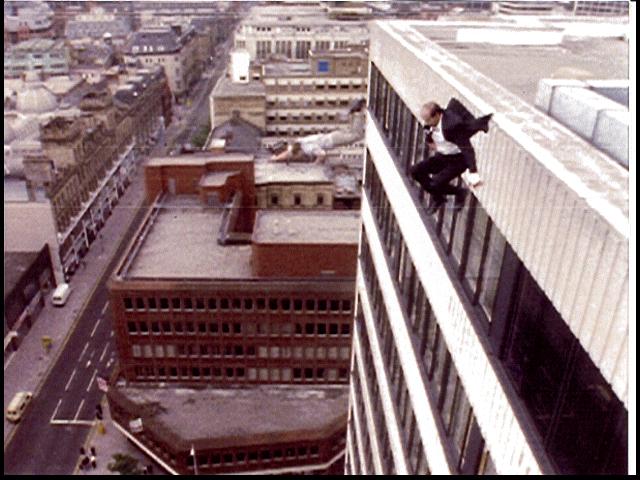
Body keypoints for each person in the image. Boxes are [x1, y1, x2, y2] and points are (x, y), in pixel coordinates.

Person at [410, 98, 492, 213]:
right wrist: (429, 140)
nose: (426, 123)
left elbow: (467, 149)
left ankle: (460, 193)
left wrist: (473, 172)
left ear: (437, 115)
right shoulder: (431, 124)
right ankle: (439, 198)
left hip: (458, 160)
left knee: (436, 182)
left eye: (428, 120)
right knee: (415, 171)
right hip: (443, 156)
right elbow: (429, 132)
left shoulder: (452, 126)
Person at [271, 99, 367, 164]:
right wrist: (276, 158)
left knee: (356, 135)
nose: (300, 157)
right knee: (351, 131)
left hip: (333, 140)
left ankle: (357, 113)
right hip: (332, 135)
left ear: (299, 152)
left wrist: (315, 165)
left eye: (299, 155)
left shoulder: (308, 149)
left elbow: (322, 155)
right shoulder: (300, 141)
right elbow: (289, 152)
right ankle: (354, 114)